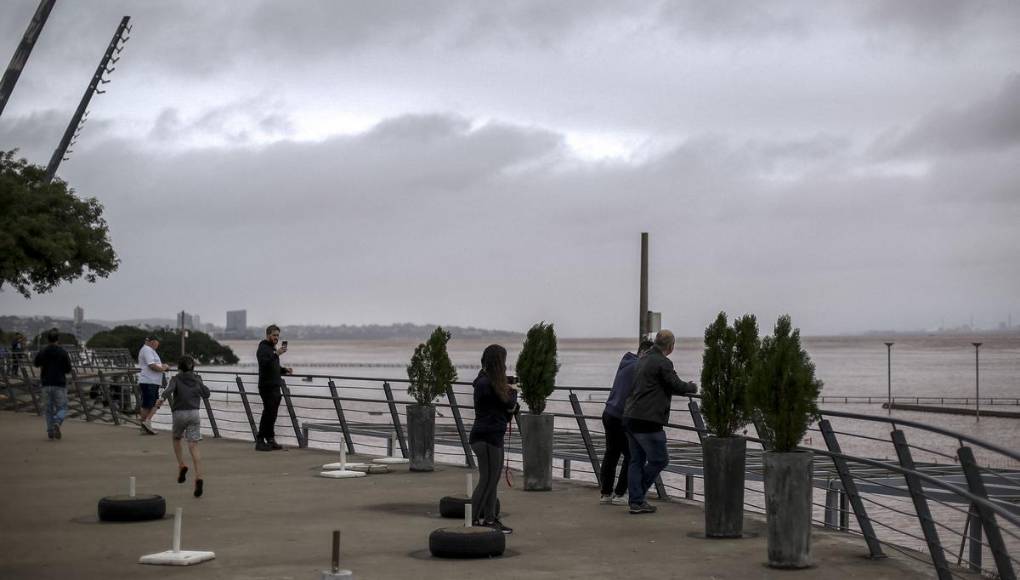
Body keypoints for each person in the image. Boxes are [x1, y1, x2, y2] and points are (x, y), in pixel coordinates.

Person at [622, 330, 697, 514]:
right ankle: (637, 496)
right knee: (660, 459)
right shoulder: (663, 363)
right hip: (648, 420)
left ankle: (636, 501)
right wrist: (692, 386)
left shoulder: (643, 358)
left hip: (630, 416)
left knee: (636, 460)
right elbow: (676, 385)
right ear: (671, 346)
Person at [469, 344, 519, 534]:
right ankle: (473, 520)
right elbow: (509, 403)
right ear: (499, 363)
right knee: (488, 480)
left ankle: (489, 519)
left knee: (492, 479)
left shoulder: (485, 381)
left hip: (488, 436)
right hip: (487, 437)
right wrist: (512, 390)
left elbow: (505, 411)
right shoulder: (488, 384)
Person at [599, 338, 654, 505]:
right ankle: (620, 493)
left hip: (609, 412)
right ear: (644, 353)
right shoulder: (638, 367)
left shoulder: (627, 363)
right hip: (621, 416)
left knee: (612, 453)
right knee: (631, 455)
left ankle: (606, 493)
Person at [154, 356, 211, 497]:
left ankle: (181, 464)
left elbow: (168, 391)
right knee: (193, 446)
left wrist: (160, 401)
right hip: (194, 414)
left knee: (176, 438)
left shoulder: (175, 378)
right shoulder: (197, 378)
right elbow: (206, 394)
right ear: (193, 367)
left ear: (179, 367)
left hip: (179, 413)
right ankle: (199, 476)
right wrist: (199, 384)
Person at [255, 324, 291, 451]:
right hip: (267, 386)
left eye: (278, 336)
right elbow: (264, 364)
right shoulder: (263, 348)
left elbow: (273, 367)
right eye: (274, 335)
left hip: (275, 386)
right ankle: (259, 440)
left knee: (272, 414)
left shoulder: (272, 348)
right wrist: (276, 353)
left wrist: (284, 370)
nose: (276, 338)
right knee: (268, 413)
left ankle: (270, 439)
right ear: (268, 335)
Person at [33, 329, 72, 440]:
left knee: (48, 409)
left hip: (46, 383)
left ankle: (50, 432)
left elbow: (36, 363)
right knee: (63, 407)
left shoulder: (43, 351)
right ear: (57, 339)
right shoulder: (63, 352)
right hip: (59, 383)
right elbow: (68, 369)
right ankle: (57, 421)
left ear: (48, 339)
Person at [137, 336, 169, 435]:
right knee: (147, 405)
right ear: (151, 341)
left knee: (153, 403)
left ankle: (146, 425)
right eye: (157, 342)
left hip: (153, 381)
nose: (158, 344)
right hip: (149, 381)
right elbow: (151, 365)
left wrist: (163, 367)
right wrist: (163, 368)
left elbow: (154, 364)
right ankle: (144, 425)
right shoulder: (147, 350)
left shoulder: (149, 350)